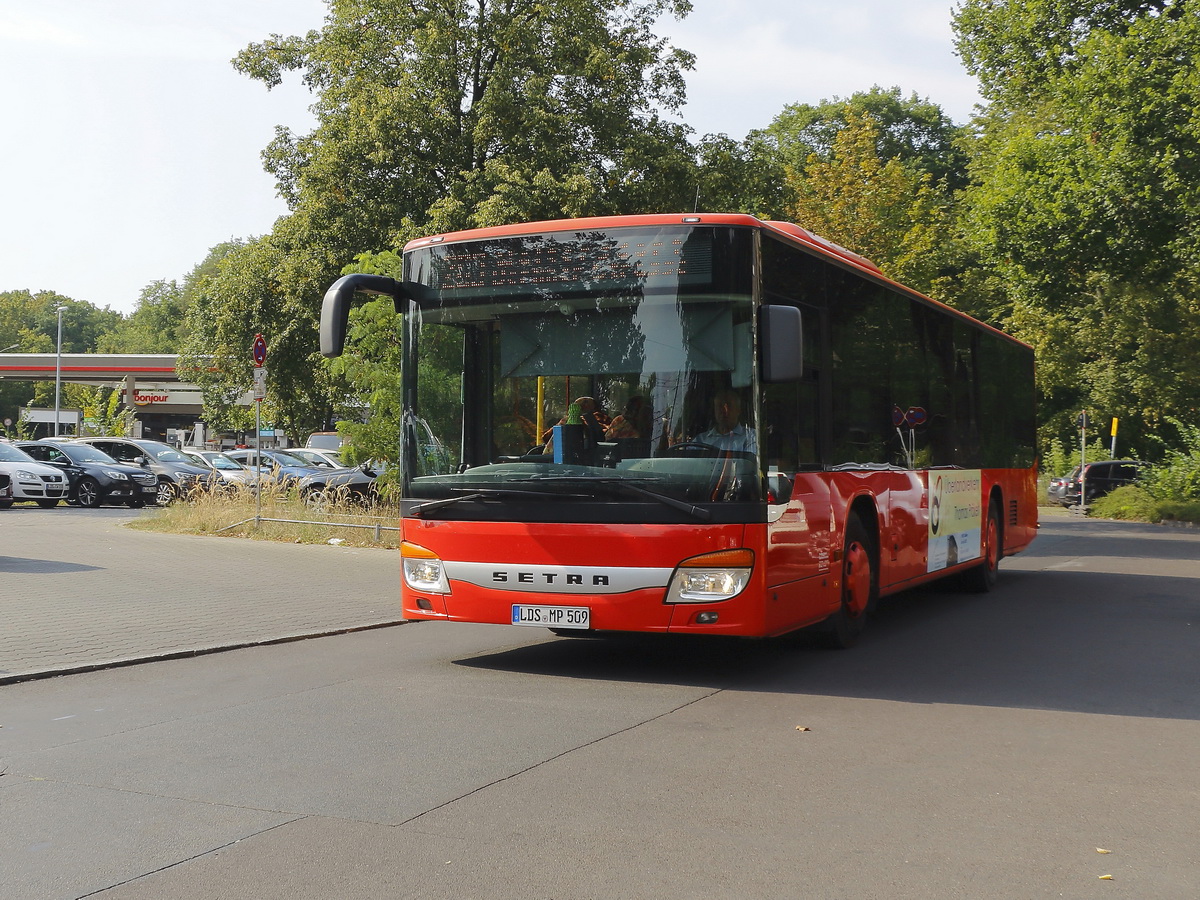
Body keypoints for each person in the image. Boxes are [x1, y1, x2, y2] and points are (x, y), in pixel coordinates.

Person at [695, 389, 757, 454]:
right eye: (720, 406)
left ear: (738, 410)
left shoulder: (751, 437)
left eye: (729, 406)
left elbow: (751, 463)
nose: (724, 411)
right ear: (714, 410)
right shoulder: (700, 440)